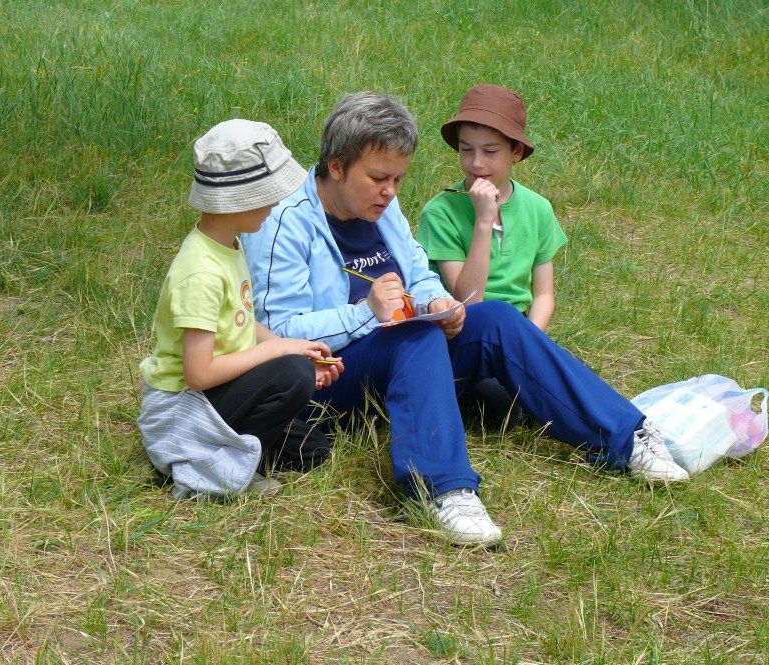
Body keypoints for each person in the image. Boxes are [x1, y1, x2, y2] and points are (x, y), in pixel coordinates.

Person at [241, 93, 689, 547]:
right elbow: (280, 335)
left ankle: (627, 437)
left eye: (398, 178)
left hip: (400, 347)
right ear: (336, 167)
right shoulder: (285, 222)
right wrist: (366, 314)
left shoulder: (381, 206)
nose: (390, 191)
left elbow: (419, 273)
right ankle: (444, 490)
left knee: (494, 317)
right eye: (378, 178)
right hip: (329, 376)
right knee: (415, 339)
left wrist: (438, 302)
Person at [137, 119, 343, 500]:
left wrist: (296, 347)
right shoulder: (201, 272)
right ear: (240, 198)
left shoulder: (229, 245)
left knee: (313, 448)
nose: (276, 203)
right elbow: (198, 373)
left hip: (211, 398)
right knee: (294, 376)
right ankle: (206, 463)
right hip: (181, 412)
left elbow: (243, 322)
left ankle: (235, 451)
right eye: (268, 194)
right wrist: (281, 353)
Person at [416, 84, 566, 428]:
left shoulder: (538, 209)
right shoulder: (441, 212)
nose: (476, 163)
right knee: (505, 410)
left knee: (563, 385)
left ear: (516, 151)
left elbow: (544, 294)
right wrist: (484, 220)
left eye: (490, 151)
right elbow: (469, 300)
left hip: (521, 330)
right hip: (467, 334)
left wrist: (530, 343)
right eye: (466, 150)